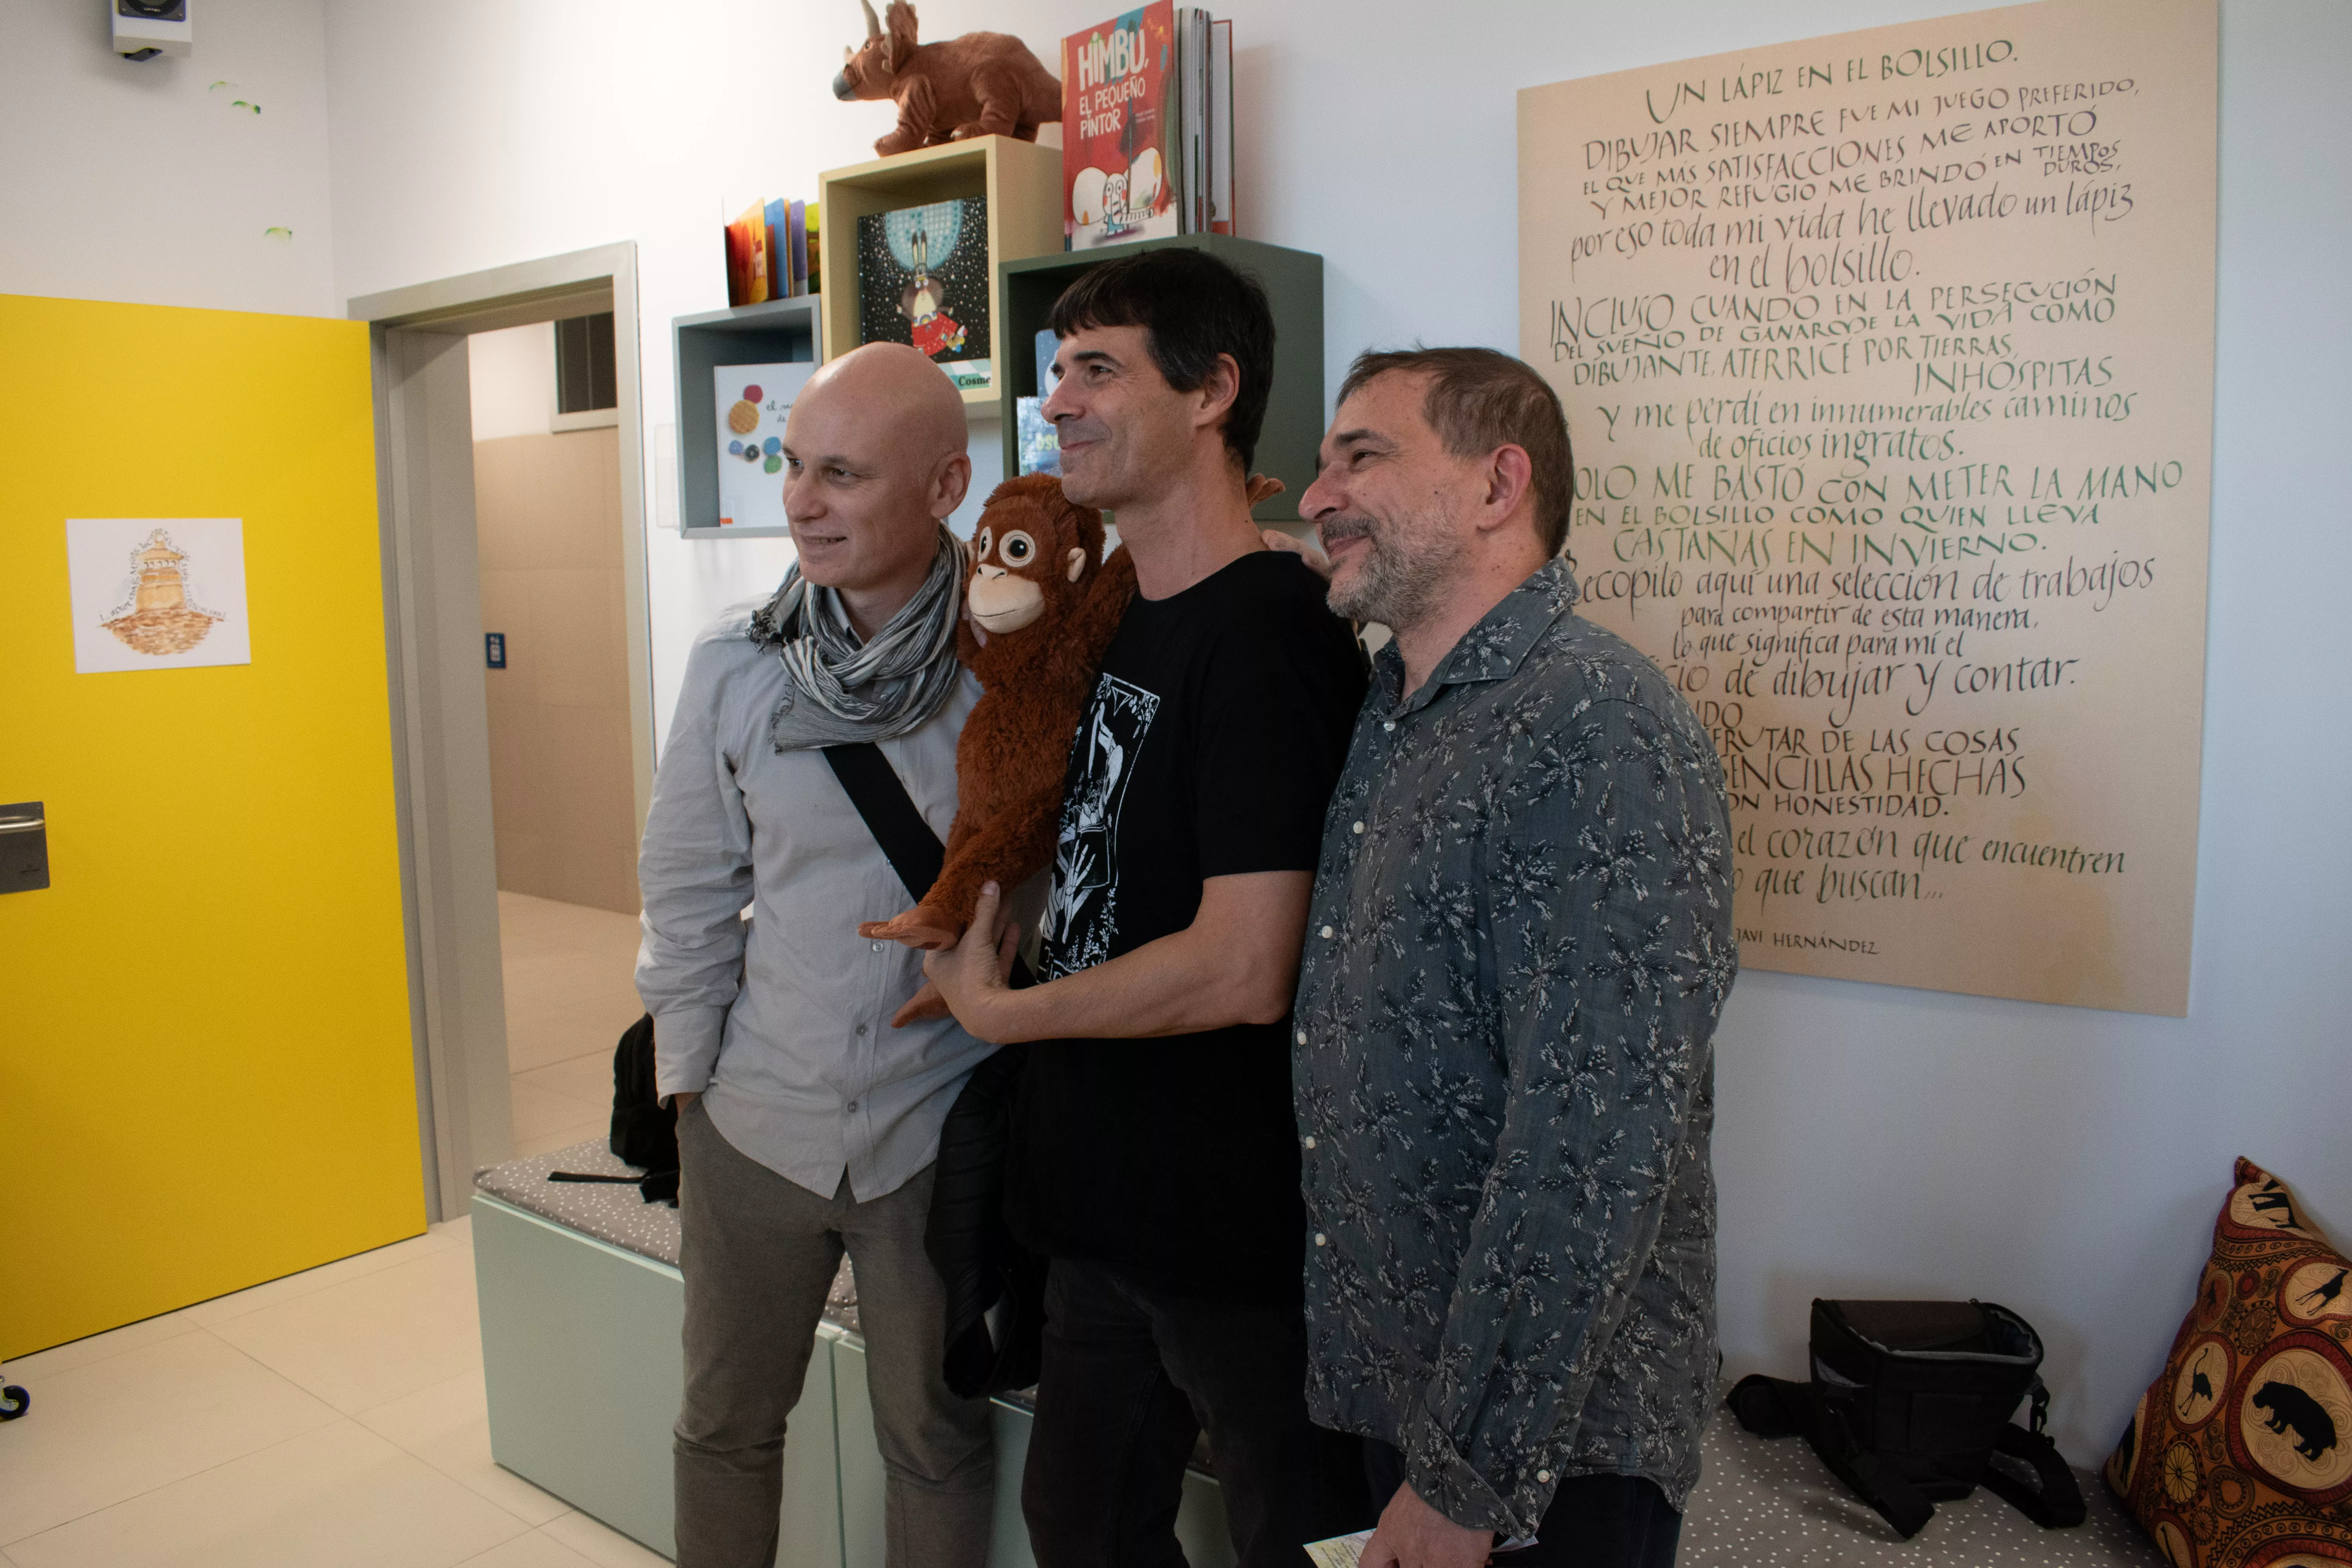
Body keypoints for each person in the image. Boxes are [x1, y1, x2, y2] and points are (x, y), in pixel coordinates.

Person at [922, 248, 1372, 1568]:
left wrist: (1008, 1015)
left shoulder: (1275, 631)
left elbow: (1246, 966)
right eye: (1058, 371)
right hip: (1097, 1203)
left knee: (1301, 1537)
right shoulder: (1118, 617)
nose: (1058, 401)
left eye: (1099, 369)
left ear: (1214, 391)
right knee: (1082, 1521)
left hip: (1229, 1222)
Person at [1288, 348, 1737, 1568]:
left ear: (1498, 486)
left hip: (1549, 1453)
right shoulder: (1400, 711)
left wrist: (1465, 1478)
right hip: (1418, 1400)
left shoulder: (1595, 723)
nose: (1316, 497)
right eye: (1324, 463)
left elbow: (1595, 1141)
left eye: (1362, 456)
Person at [636, 342, 1000, 1568]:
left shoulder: (1015, 673)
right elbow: (688, 891)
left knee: (935, 1439)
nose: (801, 499)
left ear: (945, 487)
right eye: (794, 465)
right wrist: (687, 1093)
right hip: (756, 1117)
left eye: (841, 473)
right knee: (726, 1427)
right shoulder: (736, 667)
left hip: (938, 1131)